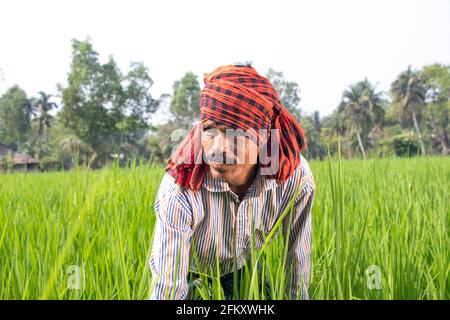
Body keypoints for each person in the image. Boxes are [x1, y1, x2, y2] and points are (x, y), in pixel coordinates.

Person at [149, 63, 315, 300]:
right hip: (189, 276)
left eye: (235, 132)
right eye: (210, 130)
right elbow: (167, 289)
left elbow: (297, 263)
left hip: (240, 272)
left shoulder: (294, 179)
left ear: (263, 137)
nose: (218, 149)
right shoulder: (181, 189)